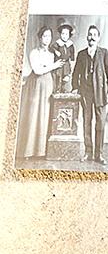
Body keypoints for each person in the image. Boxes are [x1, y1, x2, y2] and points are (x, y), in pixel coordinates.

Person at [16, 27, 63, 159]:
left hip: (47, 85)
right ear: (39, 37)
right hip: (35, 86)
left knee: (44, 115)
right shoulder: (34, 53)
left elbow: (49, 70)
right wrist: (53, 66)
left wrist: (48, 67)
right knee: (33, 115)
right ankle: (27, 151)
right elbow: (37, 71)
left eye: (49, 37)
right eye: (44, 36)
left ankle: (40, 152)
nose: (47, 39)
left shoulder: (52, 54)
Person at [73, 25, 108, 164]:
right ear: (87, 37)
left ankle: (99, 154)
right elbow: (75, 73)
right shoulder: (81, 54)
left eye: (94, 35)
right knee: (87, 122)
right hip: (86, 92)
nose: (92, 37)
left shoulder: (104, 53)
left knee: (100, 124)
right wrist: (75, 88)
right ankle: (88, 152)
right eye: (90, 34)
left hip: (100, 92)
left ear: (98, 38)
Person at [50, 23, 76, 93]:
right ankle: (57, 90)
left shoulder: (70, 44)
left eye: (66, 34)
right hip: (59, 63)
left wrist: (72, 60)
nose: (64, 36)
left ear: (69, 35)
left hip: (66, 63)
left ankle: (63, 89)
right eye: (63, 34)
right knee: (58, 76)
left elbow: (72, 53)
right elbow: (51, 48)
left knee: (65, 77)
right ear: (60, 34)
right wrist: (56, 51)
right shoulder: (58, 43)